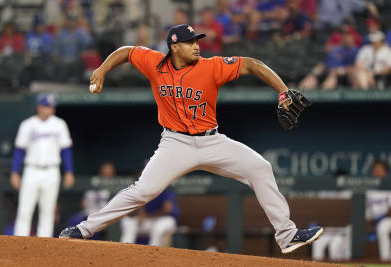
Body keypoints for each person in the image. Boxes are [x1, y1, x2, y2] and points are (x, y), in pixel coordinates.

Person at [60, 24, 323, 254]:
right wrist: (103, 68)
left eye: (197, 40)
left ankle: (286, 236)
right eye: (190, 42)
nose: (197, 46)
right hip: (175, 144)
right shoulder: (154, 63)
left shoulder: (212, 66)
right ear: (174, 47)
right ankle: (83, 229)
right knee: (143, 191)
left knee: (260, 168)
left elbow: (252, 64)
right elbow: (128, 51)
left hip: (212, 141)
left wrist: (282, 92)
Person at [11, 93, 75, 237]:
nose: (49, 110)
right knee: (25, 210)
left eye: (51, 107)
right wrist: (15, 171)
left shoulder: (59, 124)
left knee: (48, 211)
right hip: (31, 170)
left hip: (51, 170)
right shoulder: (28, 124)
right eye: (46, 106)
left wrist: (69, 171)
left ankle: (44, 245)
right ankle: (19, 242)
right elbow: (20, 150)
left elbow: (66, 149)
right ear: (39, 107)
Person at [66, 161, 116, 240]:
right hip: (86, 215)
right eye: (104, 172)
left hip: (101, 218)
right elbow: (82, 203)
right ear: (101, 172)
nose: (106, 174)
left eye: (108, 173)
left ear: (112, 174)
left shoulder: (114, 187)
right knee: (73, 221)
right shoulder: (93, 183)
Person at [366, 160, 391, 261]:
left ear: (386, 172)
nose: (377, 172)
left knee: (382, 228)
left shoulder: (389, 186)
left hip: (387, 219)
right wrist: (368, 221)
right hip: (371, 221)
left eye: (380, 170)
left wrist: (377, 220)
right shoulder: (369, 188)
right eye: (375, 170)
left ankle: (386, 261)